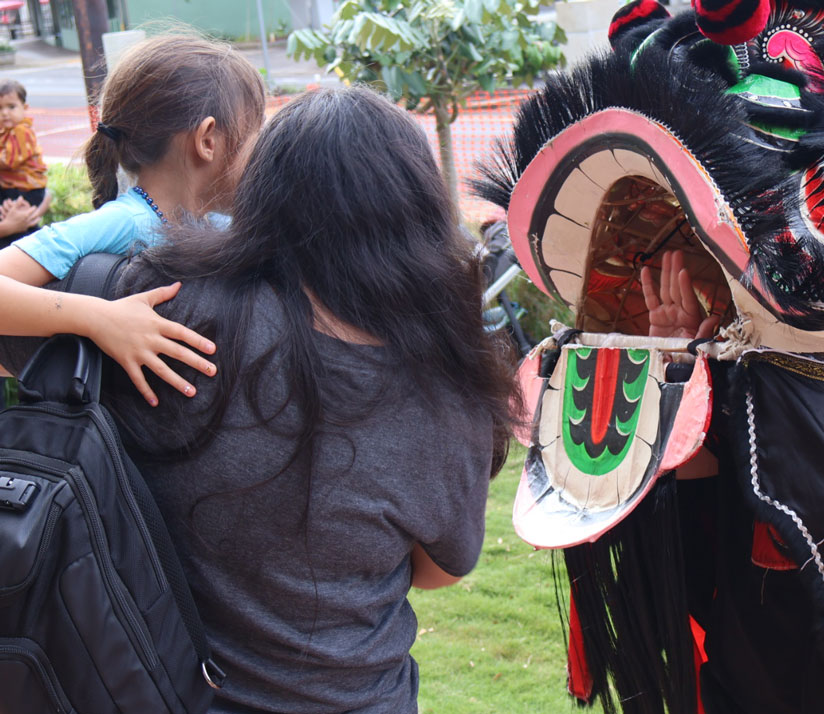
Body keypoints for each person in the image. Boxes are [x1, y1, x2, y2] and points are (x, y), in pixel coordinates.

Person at [0, 86, 519, 714]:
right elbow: (440, 570)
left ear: (263, 192)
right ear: (420, 212)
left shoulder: (156, 311)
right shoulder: (446, 391)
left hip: (145, 687)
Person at [0, 34, 266, 405]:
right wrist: (99, 318)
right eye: (257, 134)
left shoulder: (218, 226)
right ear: (208, 140)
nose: (266, 154)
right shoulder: (124, 222)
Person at [0, 79, 50, 242]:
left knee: (22, 228)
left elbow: (10, 160)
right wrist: (9, 226)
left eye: (11, 107)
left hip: (25, 189)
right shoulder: (8, 132)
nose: (5, 113)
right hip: (15, 188)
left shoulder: (21, 131)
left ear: (25, 108)